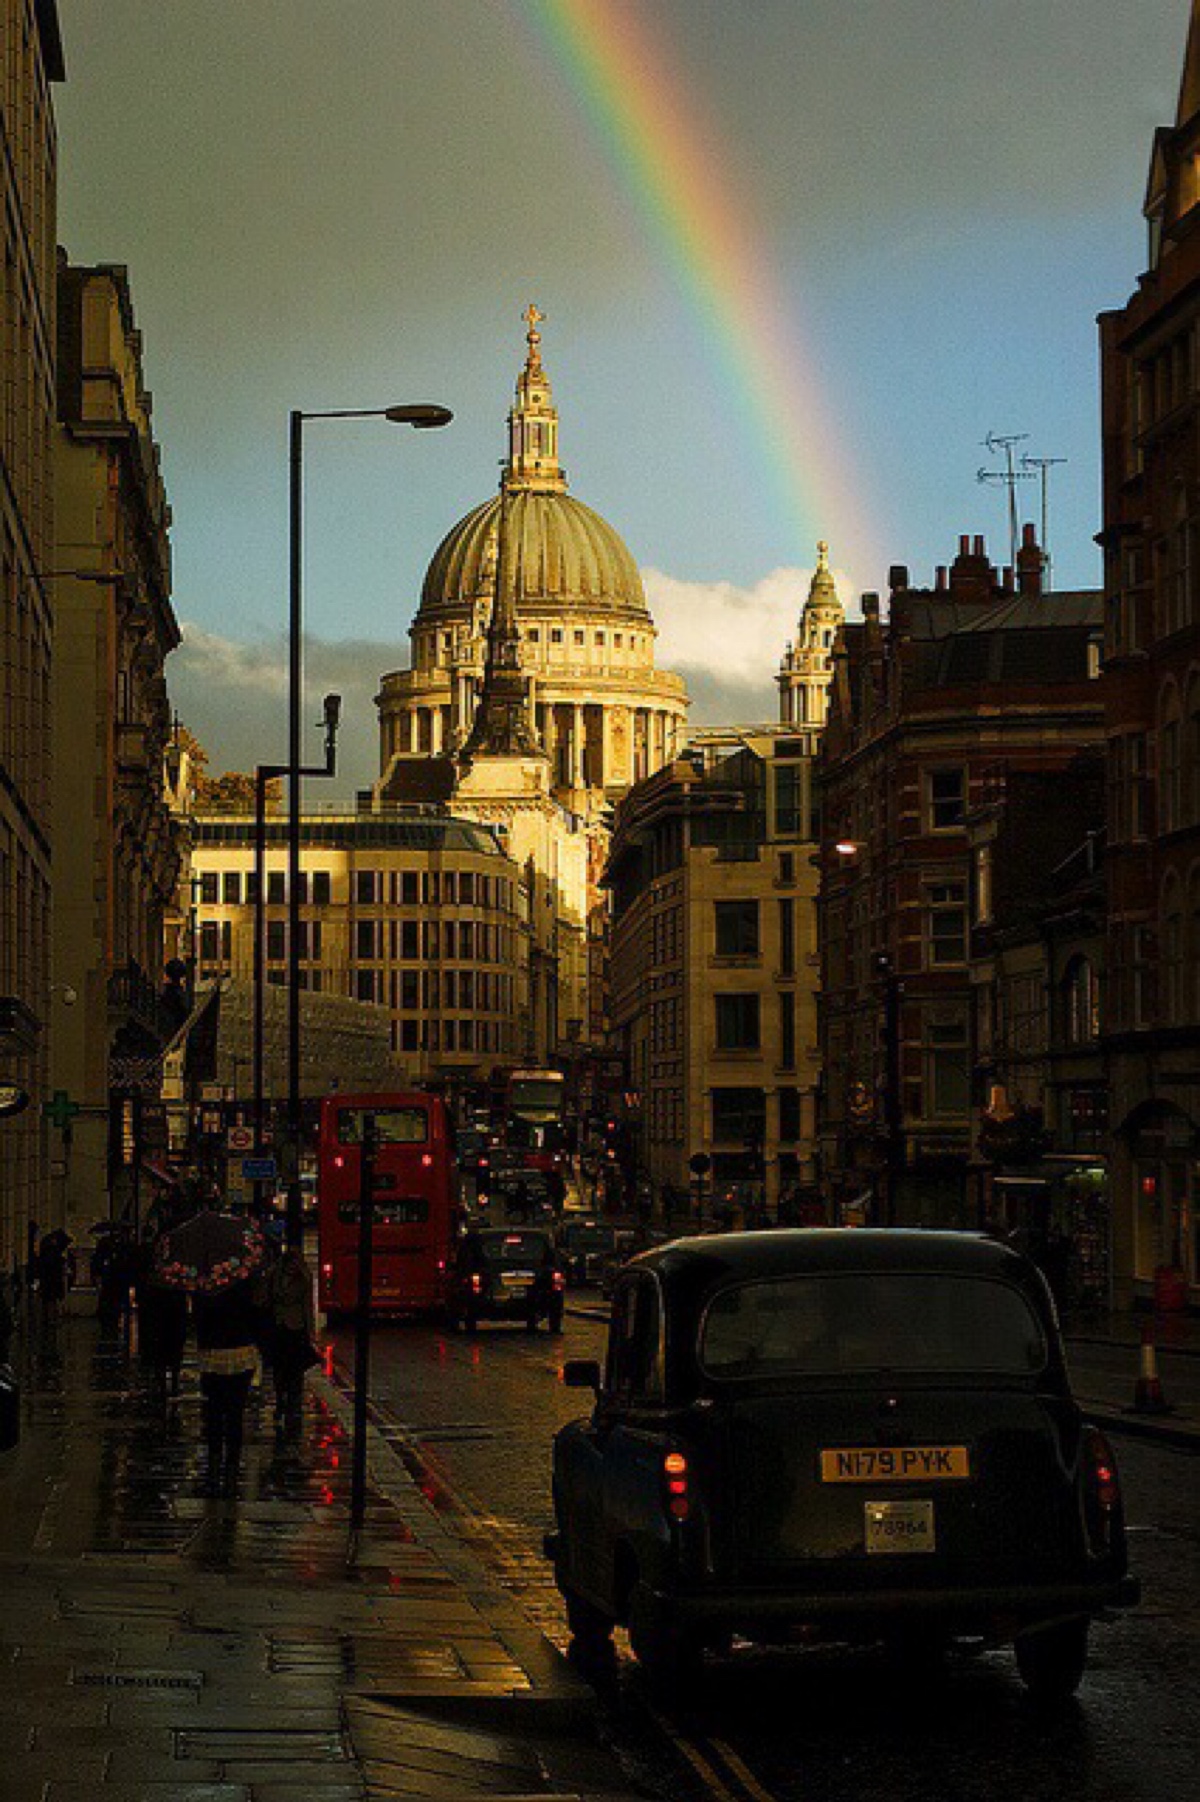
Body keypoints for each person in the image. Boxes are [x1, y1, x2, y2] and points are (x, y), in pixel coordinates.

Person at [193, 1277, 263, 1497]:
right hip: (241, 1352)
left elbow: (199, 1320)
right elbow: (255, 1314)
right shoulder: (244, 1281)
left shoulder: (206, 1285)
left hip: (214, 1353)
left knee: (214, 1415)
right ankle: (230, 1476)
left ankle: (214, 1475)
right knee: (234, 1416)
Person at [261, 1242, 317, 1436]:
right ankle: (281, 1401)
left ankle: (294, 1405)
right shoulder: (274, 1275)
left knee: (295, 1371)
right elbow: (265, 1299)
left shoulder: (304, 1279)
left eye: (296, 1264)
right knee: (279, 1370)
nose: (293, 1268)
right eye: (290, 1264)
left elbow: (308, 1306)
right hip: (278, 1329)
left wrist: (311, 1332)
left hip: (296, 1329)